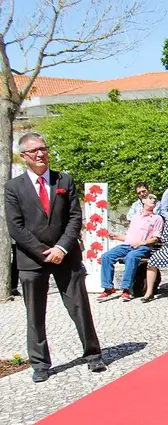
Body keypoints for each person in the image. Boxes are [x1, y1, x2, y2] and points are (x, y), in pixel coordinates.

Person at [4, 132, 106, 382]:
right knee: (35, 313)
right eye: (34, 151)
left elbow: (74, 218)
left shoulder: (64, 180)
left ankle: (93, 354)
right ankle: (40, 363)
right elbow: (16, 227)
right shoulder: (14, 187)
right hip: (32, 260)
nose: (40, 154)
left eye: (43, 148)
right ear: (23, 156)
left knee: (79, 307)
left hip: (66, 255)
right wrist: (43, 252)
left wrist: (60, 248)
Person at [98, 194, 163, 302]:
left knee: (131, 256)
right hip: (127, 245)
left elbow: (156, 238)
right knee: (107, 256)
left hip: (143, 247)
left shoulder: (157, 218)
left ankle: (126, 289)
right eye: (151, 198)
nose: (154, 200)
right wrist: (117, 237)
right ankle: (108, 287)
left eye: (155, 200)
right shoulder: (136, 217)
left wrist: (141, 243)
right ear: (143, 201)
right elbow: (129, 237)